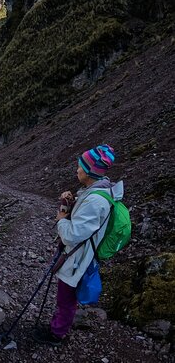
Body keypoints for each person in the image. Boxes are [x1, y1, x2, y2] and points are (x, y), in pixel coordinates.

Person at [34, 144, 123, 346]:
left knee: (66, 299)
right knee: (66, 297)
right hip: (77, 255)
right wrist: (71, 202)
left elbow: (72, 235)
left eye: (81, 167)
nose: (77, 170)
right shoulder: (96, 192)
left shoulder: (95, 201)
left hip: (77, 258)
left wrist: (61, 219)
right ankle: (59, 326)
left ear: (91, 171)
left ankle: (56, 334)